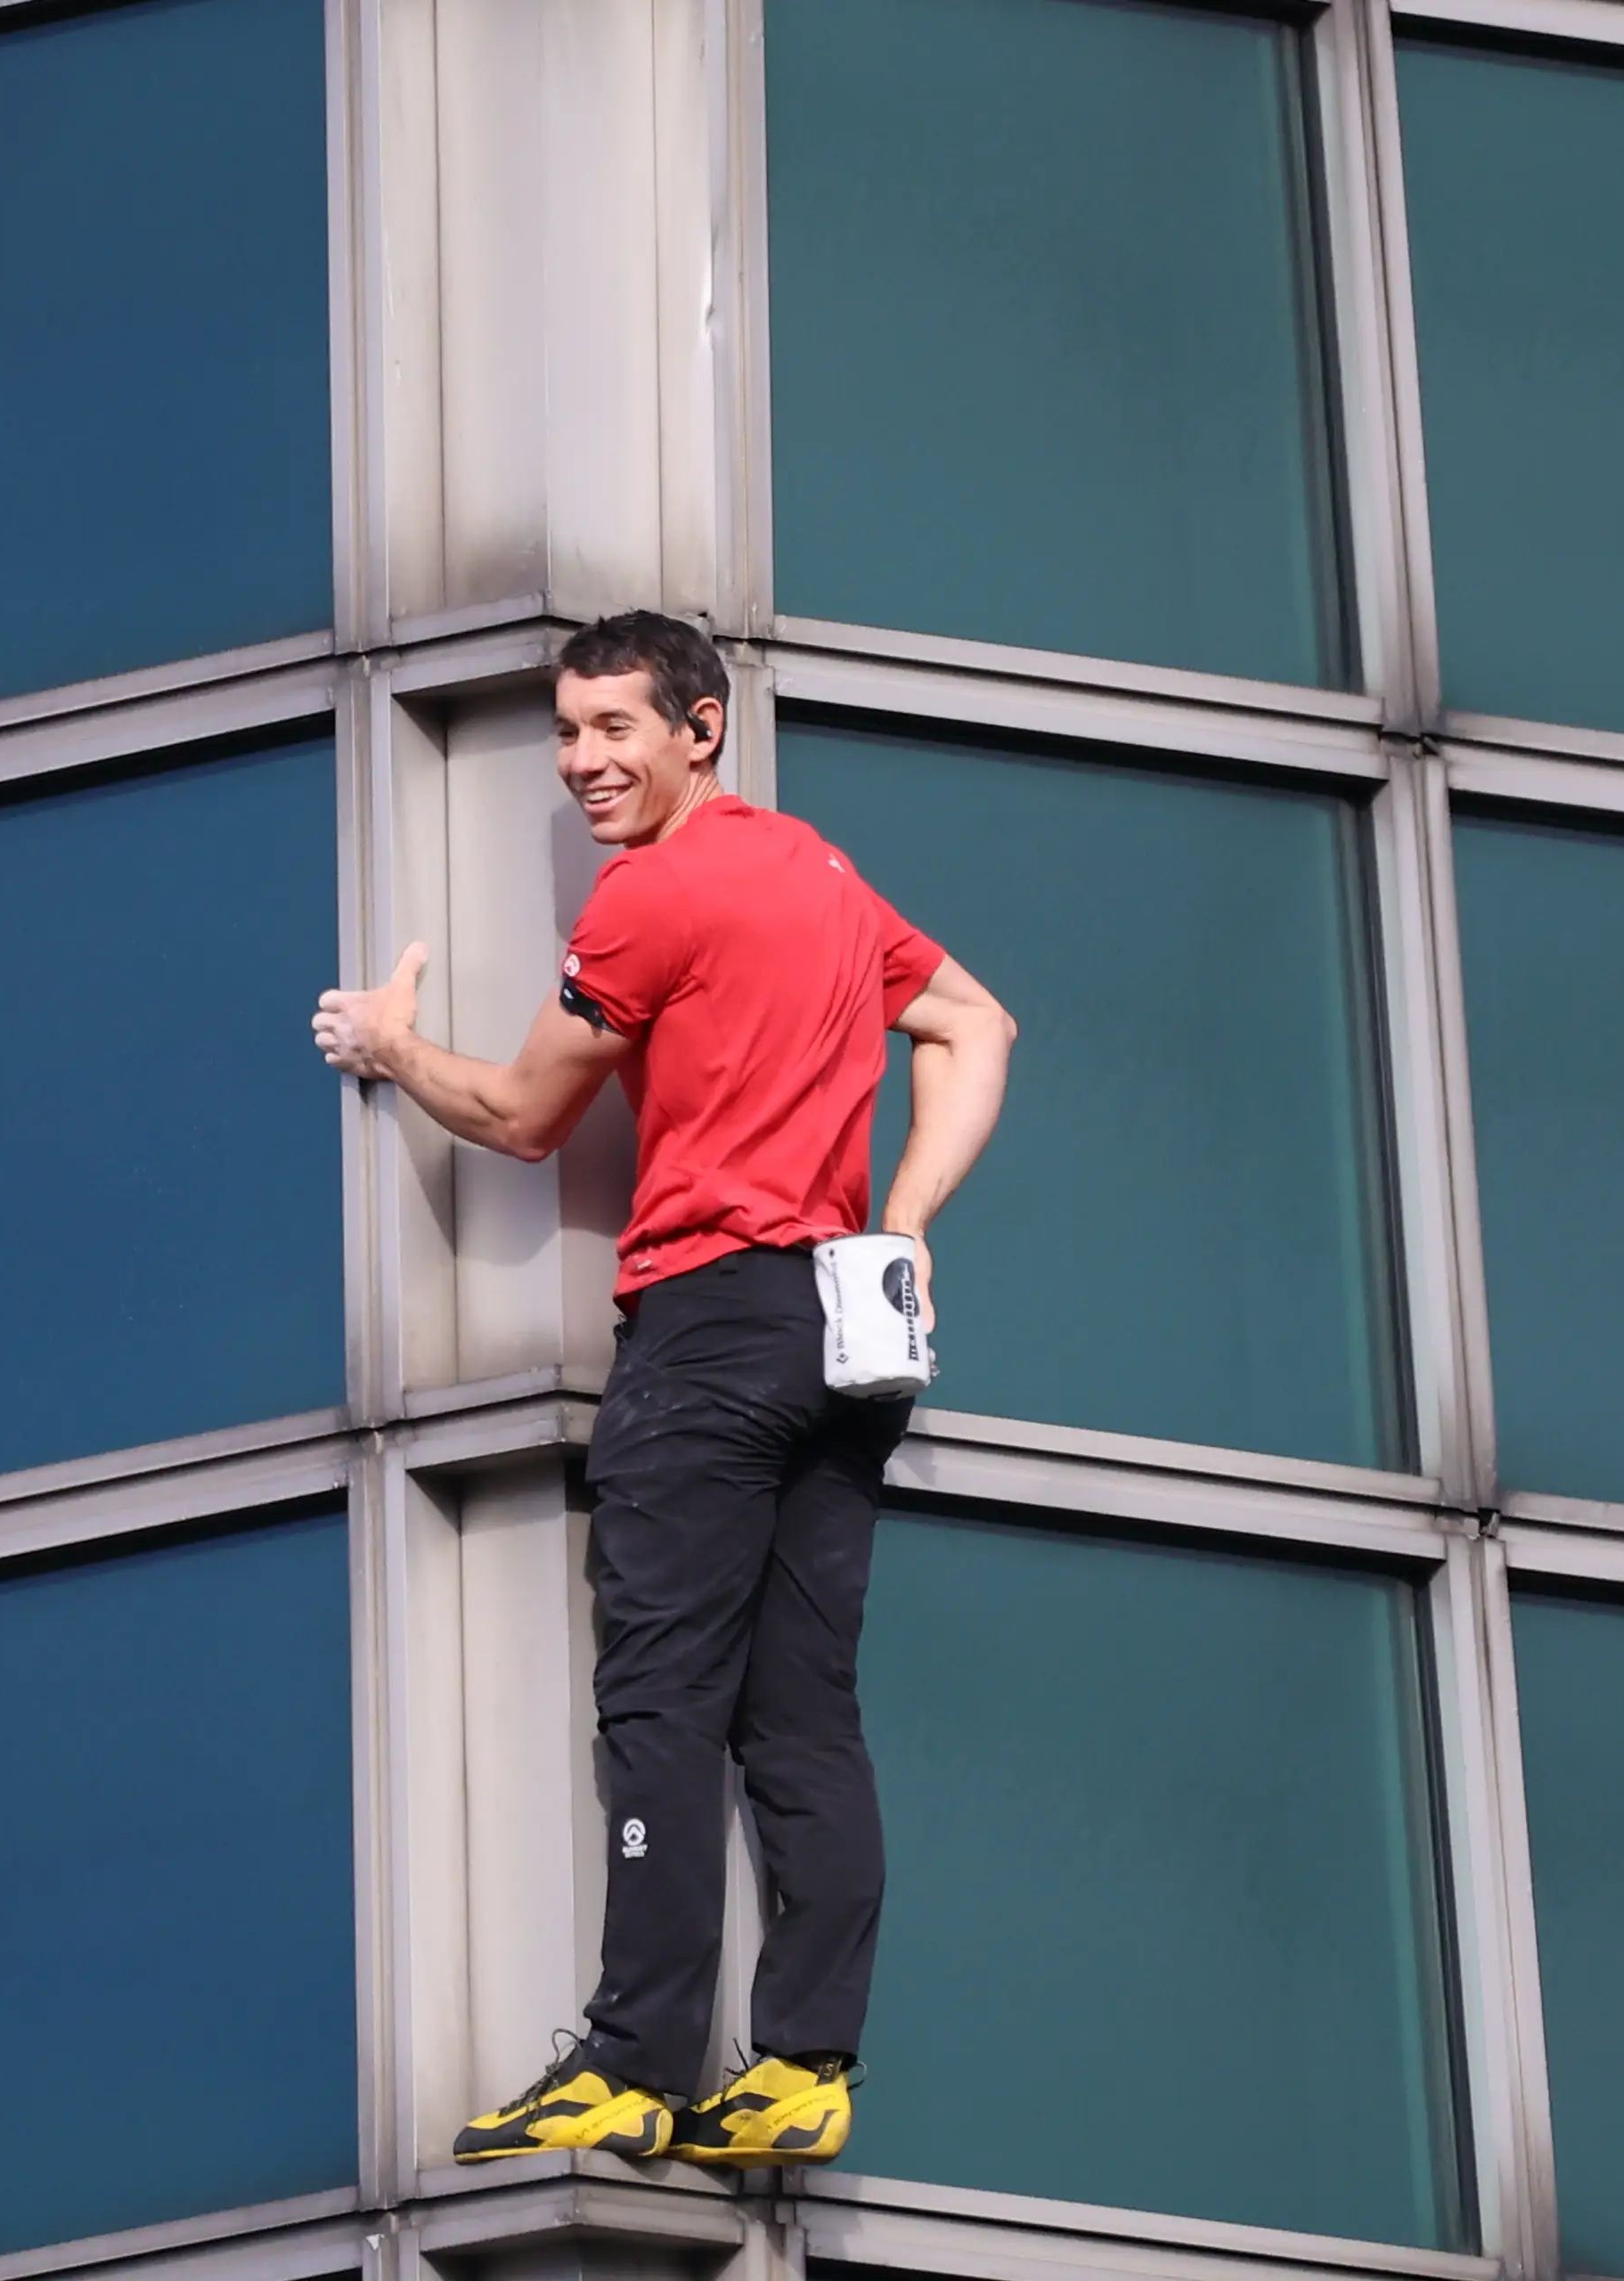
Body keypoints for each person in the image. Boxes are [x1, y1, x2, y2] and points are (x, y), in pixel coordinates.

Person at [311, 611, 1017, 2169]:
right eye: (567, 732)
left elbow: (520, 1117)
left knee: (660, 1701)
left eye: (614, 728)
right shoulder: (820, 873)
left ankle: (631, 2064)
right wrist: (903, 1222)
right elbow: (978, 1024)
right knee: (803, 1713)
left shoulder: (651, 895)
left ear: (702, 729)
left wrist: (390, 1044)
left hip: (709, 1330)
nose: (581, 761)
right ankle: (804, 2067)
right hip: (842, 1334)